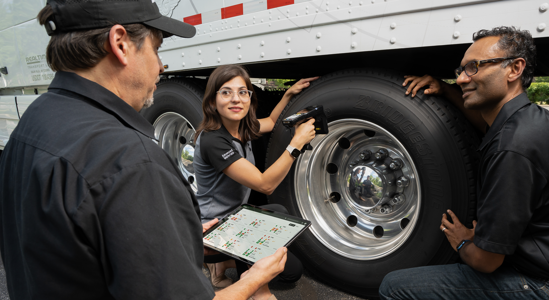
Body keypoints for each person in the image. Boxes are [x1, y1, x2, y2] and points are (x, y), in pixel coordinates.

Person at [0, 1, 288, 299]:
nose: (161, 65)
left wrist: (178, 235)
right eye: (156, 49)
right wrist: (254, 278)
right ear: (120, 43)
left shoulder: (31, 125)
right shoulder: (130, 160)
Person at [379, 26, 549, 300]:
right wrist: (446, 91)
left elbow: (487, 261)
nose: (461, 79)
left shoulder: (513, 148)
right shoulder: (529, 118)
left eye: (474, 67)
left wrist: (462, 241)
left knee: (393, 287)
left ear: (514, 69)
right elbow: (486, 126)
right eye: (460, 69)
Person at [193, 65, 317, 299]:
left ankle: (226, 263)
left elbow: (271, 120)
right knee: (290, 273)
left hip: (238, 217)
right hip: (212, 230)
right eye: (226, 92)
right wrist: (296, 144)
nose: (235, 99)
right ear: (212, 100)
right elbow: (264, 184)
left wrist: (288, 94)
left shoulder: (242, 128)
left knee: (279, 211)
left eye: (243, 92)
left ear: (249, 98)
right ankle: (220, 266)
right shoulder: (213, 140)